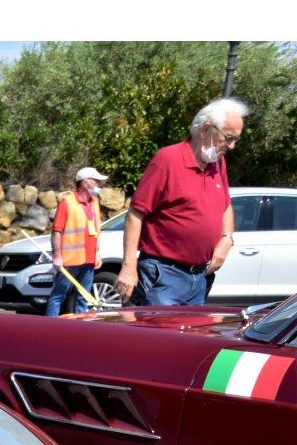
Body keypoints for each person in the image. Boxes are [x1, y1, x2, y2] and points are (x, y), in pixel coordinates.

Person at [115, 98, 248, 306]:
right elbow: (135, 214)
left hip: (200, 276)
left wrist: (227, 239)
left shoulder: (217, 163)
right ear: (206, 129)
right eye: (228, 138)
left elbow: (225, 205)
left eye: (236, 139)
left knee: (188, 338)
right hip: (164, 274)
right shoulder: (168, 160)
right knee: (159, 338)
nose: (231, 146)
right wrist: (129, 267)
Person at [46, 166, 107, 315]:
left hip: (89, 259)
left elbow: (96, 231)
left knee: (83, 297)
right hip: (70, 260)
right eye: (96, 181)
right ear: (85, 183)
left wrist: (97, 253)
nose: (99, 184)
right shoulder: (67, 202)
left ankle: (80, 330)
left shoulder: (94, 202)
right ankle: (48, 327)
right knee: (59, 295)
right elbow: (57, 231)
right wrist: (57, 256)